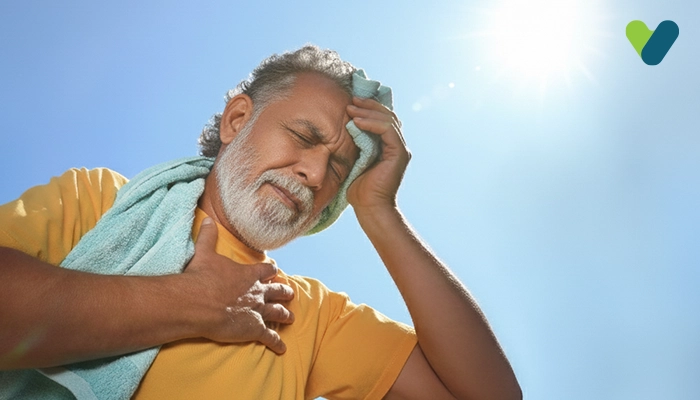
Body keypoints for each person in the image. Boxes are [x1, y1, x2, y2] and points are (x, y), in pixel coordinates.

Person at [0, 45, 521, 399]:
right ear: (237, 120)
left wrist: (380, 212)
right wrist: (190, 302)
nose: (315, 172)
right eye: (304, 137)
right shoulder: (99, 200)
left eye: (338, 170)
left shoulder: (306, 314)